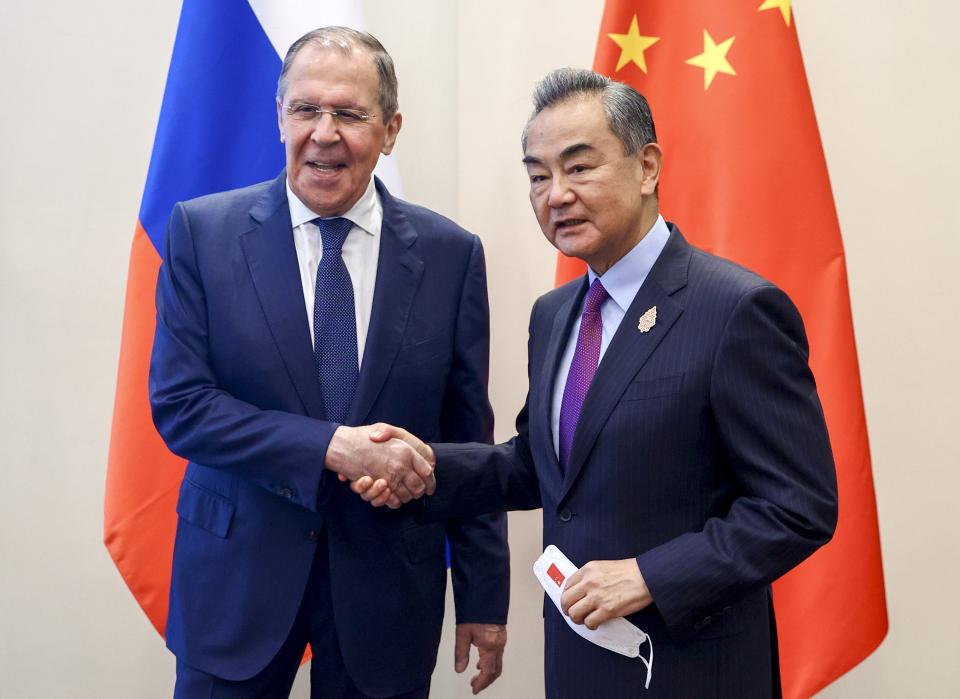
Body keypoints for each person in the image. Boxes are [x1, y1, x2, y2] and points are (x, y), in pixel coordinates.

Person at [350, 68, 839, 698]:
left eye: (579, 168)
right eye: (537, 175)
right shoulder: (555, 315)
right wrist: (422, 466)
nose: (556, 194)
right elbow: (542, 466)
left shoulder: (735, 309)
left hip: (691, 669)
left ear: (647, 168)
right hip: (580, 664)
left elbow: (798, 508)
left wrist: (652, 576)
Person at [149, 27, 509, 699]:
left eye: (348, 113)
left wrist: (484, 597)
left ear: (390, 128)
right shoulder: (202, 232)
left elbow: (467, 439)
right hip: (237, 580)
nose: (324, 133)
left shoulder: (451, 255)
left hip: (387, 589)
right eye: (306, 110)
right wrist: (335, 448)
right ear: (279, 116)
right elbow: (182, 406)